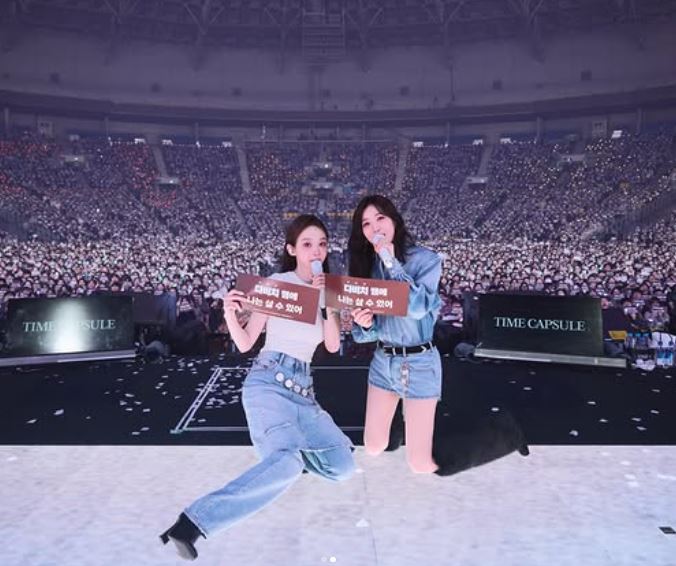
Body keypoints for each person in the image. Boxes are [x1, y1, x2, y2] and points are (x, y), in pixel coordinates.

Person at [160, 215, 355, 561]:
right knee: (288, 464)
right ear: (291, 249)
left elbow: (332, 343)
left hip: (305, 393)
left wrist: (329, 301)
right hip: (269, 383)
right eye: (307, 244)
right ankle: (193, 522)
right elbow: (246, 342)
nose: (316, 251)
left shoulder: (330, 289)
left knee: (342, 464)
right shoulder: (277, 284)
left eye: (322, 244)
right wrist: (230, 313)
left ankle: (286, 457)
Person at [348, 195, 443, 474]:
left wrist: (390, 262)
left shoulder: (426, 260)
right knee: (373, 446)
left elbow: (416, 308)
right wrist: (365, 324)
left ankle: (497, 438)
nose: (374, 227)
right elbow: (363, 336)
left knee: (420, 464)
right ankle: (400, 425)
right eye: (366, 223)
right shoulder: (368, 267)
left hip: (419, 363)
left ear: (394, 220)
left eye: (380, 218)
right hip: (383, 361)